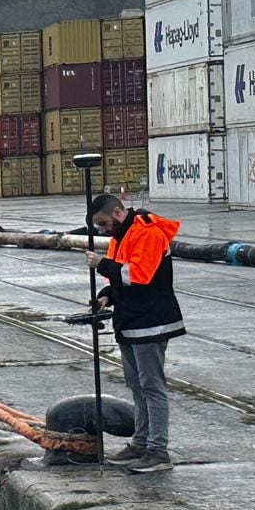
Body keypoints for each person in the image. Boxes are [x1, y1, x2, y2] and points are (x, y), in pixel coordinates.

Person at [86, 191, 184, 473]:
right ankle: (141, 443)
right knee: (137, 386)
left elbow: (139, 275)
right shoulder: (123, 236)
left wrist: (101, 263)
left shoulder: (148, 232)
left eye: (104, 223)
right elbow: (120, 278)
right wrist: (107, 295)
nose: (103, 230)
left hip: (151, 322)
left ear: (117, 213)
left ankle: (158, 450)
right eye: (98, 227)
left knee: (152, 387)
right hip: (130, 321)